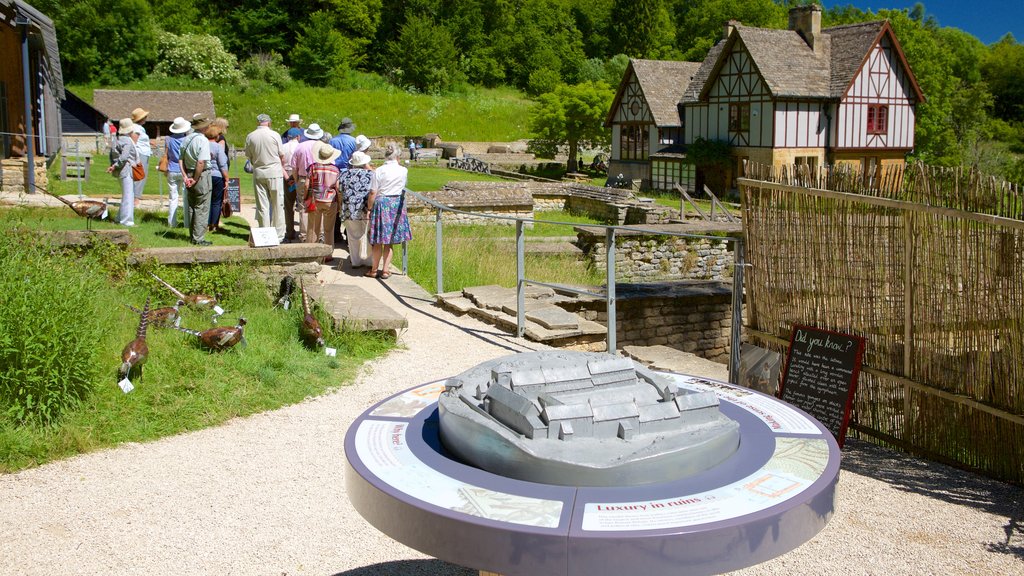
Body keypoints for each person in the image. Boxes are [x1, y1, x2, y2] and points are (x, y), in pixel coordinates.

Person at [366, 142, 412, 279]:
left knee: (378, 240)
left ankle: (374, 270)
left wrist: (369, 208)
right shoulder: (403, 170)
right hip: (396, 203)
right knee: (389, 240)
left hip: (382, 203)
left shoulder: (379, 171)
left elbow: (373, 192)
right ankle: (385, 270)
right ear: (398, 156)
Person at [244, 114, 287, 242]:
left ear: (258, 123)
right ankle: (278, 235)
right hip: (274, 172)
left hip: (259, 172)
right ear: (269, 122)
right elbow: (282, 156)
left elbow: (249, 156)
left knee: (262, 205)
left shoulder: (250, 136)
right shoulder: (274, 135)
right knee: (277, 204)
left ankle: (265, 234)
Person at [179, 114, 213, 245]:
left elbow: (180, 159)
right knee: (202, 206)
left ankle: (193, 236)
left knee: (192, 206)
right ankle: (199, 238)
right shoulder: (202, 140)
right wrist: (195, 178)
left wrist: (185, 176)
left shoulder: (186, 139)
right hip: (200, 175)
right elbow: (201, 162)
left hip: (188, 172)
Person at [305, 142, 342, 261]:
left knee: (313, 227)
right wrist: (340, 203)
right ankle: (328, 254)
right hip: (330, 200)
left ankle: (311, 252)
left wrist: (305, 197)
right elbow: (338, 188)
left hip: (315, 199)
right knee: (329, 229)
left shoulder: (313, 167)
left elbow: (306, 184)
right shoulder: (335, 169)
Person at [339, 150, 374, 269]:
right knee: (367, 234)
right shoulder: (370, 174)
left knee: (353, 236)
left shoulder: (344, 174)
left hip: (349, 209)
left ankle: (356, 261)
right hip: (365, 209)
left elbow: (340, 190)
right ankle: (368, 260)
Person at [288, 123, 322, 242]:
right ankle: (319, 235)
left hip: (303, 178)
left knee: (303, 207)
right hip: (320, 179)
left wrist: (297, 180)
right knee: (319, 206)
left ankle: (304, 236)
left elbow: (294, 167)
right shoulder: (322, 146)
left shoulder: (300, 147)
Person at [106, 118, 140, 226]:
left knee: (126, 195)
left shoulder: (116, 139)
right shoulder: (127, 140)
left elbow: (112, 155)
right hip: (127, 170)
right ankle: (127, 221)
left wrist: (113, 165)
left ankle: (118, 218)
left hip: (120, 171)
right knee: (128, 197)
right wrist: (115, 165)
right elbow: (124, 156)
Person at [164, 116, 190, 227]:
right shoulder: (187, 140)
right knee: (186, 198)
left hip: (172, 169)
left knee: (172, 198)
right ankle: (187, 223)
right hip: (184, 169)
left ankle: (171, 223)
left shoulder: (168, 139)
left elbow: (166, 154)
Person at [206, 124, 230, 232]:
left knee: (207, 200)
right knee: (216, 202)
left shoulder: (203, 145)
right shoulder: (218, 147)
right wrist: (226, 178)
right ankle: (214, 224)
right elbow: (222, 164)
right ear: (216, 136)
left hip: (205, 175)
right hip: (217, 175)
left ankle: (206, 223)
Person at [130, 108, 152, 208]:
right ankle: (136, 199)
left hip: (144, 153)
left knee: (141, 175)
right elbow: (134, 142)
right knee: (140, 175)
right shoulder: (136, 128)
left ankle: (136, 198)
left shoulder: (139, 127)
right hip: (140, 154)